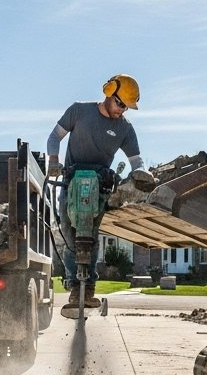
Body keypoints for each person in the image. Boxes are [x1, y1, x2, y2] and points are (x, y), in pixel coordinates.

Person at [47, 74, 155, 313]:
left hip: (101, 185)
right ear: (109, 92)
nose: (122, 110)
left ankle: (89, 289)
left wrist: (141, 174)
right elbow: (54, 136)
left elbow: (137, 161)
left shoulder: (125, 129)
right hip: (70, 181)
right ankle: (74, 286)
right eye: (120, 103)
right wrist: (53, 161)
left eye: (126, 107)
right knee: (68, 232)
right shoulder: (79, 112)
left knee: (91, 237)